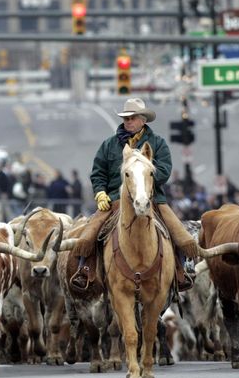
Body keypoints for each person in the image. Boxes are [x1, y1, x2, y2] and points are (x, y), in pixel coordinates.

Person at [69, 98, 200, 293]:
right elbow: (98, 172)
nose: (128, 121)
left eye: (132, 118)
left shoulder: (158, 143)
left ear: (143, 120)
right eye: (126, 118)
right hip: (114, 199)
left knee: (180, 233)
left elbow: (164, 170)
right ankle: (84, 270)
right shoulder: (109, 145)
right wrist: (100, 193)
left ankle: (181, 271)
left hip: (152, 198)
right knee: (89, 233)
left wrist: (142, 183)